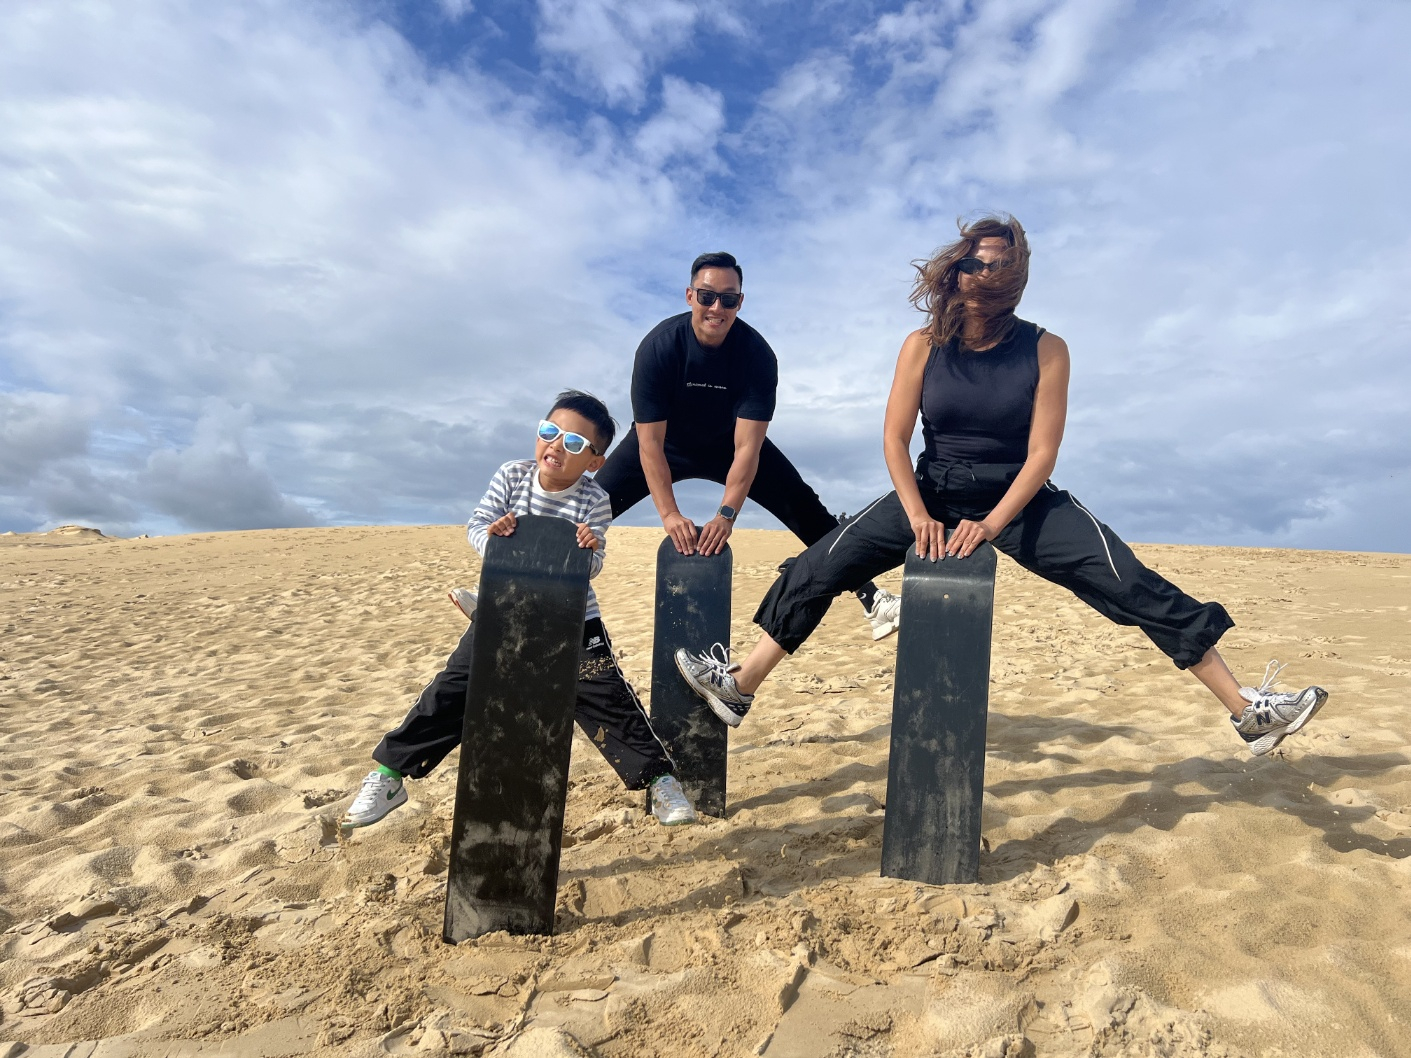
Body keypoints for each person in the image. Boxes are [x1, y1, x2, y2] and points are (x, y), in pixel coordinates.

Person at [673, 215, 1327, 756]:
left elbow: (1042, 453)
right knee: (823, 562)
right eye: (977, 261)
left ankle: (1247, 710)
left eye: (1001, 264)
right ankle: (740, 684)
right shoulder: (921, 344)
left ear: (1016, 277)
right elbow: (894, 441)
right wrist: (918, 513)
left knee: (1124, 579)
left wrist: (991, 523)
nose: (987, 272)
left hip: (1017, 498)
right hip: (929, 492)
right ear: (955, 270)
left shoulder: (1047, 349)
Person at [343, 390, 697, 829]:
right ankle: (389, 775)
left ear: (593, 461)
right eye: (550, 432)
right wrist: (494, 537)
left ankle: (660, 781)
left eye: (572, 443)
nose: (555, 446)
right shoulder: (511, 476)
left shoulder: (594, 500)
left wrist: (587, 550)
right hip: (504, 610)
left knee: (607, 699)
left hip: (572, 618)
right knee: (453, 689)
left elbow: (595, 564)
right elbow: (476, 526)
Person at [593, 251, 903, 641]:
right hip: (664, 445)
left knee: (806, 509)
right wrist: (670, 514)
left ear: (741, 302)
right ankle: (545, 584)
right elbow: (649, 442)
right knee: (589, 506)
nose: (717, 307)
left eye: (729, 298)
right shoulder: (659, 348)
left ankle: (874, 598)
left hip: (731, 447)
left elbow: (747, 449)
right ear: (690, 296)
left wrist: (726, 515)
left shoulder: (756, 355)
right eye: (707, 296)